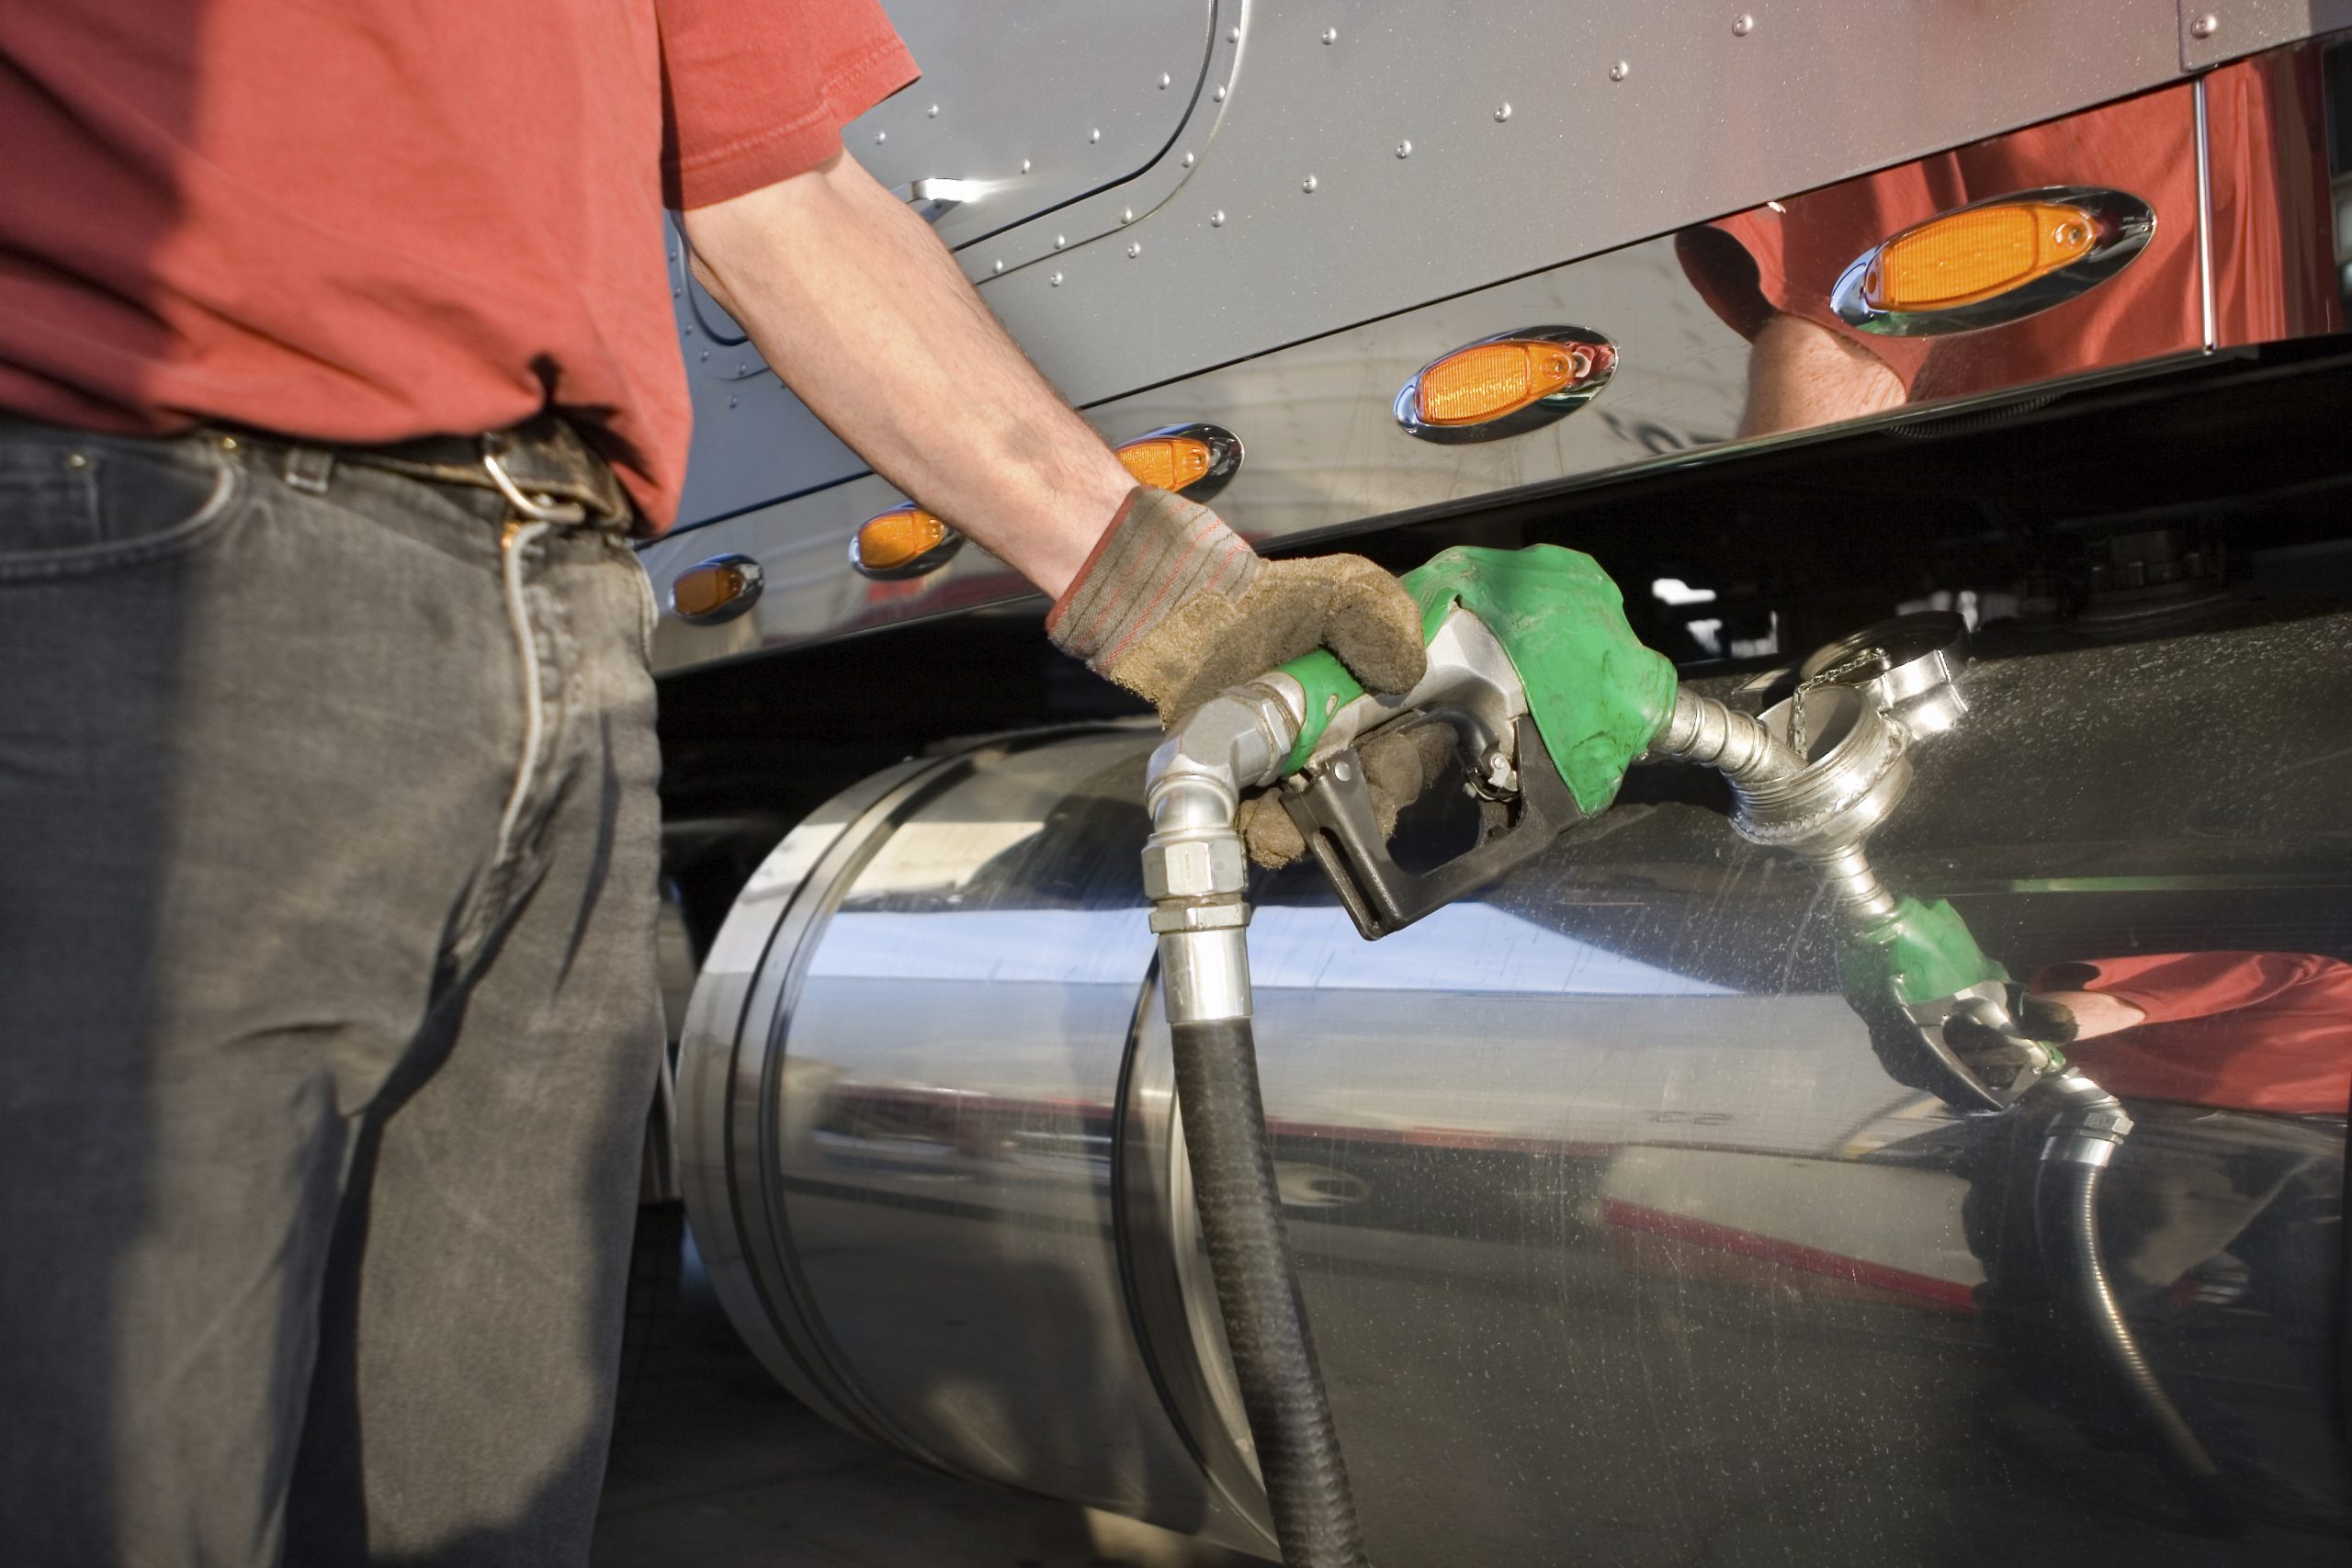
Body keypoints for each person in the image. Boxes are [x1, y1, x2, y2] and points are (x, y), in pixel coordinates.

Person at [0, 4, 1437, 1562]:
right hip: (144, 545)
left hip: (556, 587)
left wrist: (1190, 612)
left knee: (478, 1502)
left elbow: (778, 193)